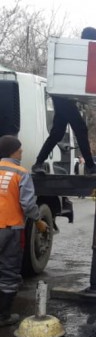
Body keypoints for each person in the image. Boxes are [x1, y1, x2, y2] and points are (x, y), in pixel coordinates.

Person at [32, 26, 96, 175]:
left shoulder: (75, 50)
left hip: (62, 95)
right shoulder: (78, 51)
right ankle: (90, 165)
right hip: (63, 96)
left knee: (57, 134)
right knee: (81, 129)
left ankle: (38, 163)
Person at [0, 135, 48, 326]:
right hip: (10, 229)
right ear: (12, 151)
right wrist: (38, 220)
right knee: (9, 270)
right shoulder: (21, 172)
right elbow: (27, 204)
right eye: (19, 149)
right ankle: (3, 315)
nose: (22, 152)